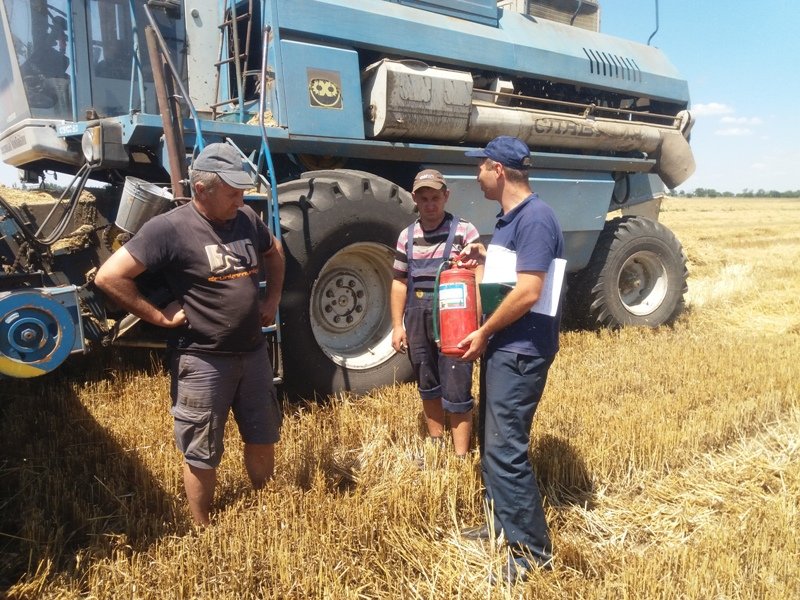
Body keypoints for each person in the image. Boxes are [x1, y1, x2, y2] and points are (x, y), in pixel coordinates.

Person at [94, 143, 285, 526]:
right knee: (201, 451)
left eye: (242, 191)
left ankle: (266, 508)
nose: (241, 199)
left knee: (263, 436)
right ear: (201, 189)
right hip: (203, 359)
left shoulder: (246, 218)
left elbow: (274, 252)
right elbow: (109, 276)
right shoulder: (168, 229)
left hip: (253, 354)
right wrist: (158, 315)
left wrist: (273, 298)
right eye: (232, 192)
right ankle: (203, 528)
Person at [458, 136, 565, 581]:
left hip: (521, 350)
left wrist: (483, 330)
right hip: (507, 346)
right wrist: (484, 254)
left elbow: (530, 290)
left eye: (480, 167)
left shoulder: (536, 218)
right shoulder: (509, 219)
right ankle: (500, 523)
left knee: (506, 450)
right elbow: (515, 272)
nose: (476, 174)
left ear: (499, 171)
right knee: (492, 442)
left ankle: (530, 554)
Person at [390, 169, 481, 457]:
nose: (430, 204)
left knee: (457, 381)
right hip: (417, 316)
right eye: (424, 198)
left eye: (435, 198)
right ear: (415, 199)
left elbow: (478, 275)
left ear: (446, 197)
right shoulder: (407, 236)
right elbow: (399, 282)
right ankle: (436, 442)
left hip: (455, 317)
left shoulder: (465, 231)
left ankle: (460, 455)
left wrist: (477, 322)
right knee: (427, 380)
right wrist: (397, 325)